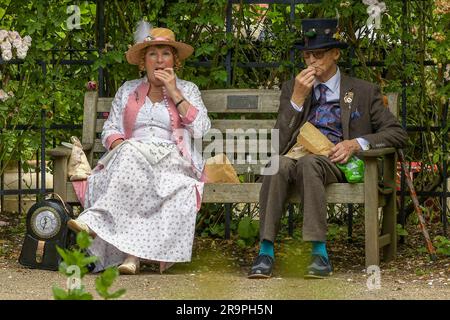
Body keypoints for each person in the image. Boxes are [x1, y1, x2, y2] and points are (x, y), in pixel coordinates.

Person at [248, 18, 408, 279]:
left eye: (319, 55)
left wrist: (356, 143)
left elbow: (397, 133)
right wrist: (297, 99)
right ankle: (265, 252)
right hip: (295, 155)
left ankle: (319, 253)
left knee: (310, 164)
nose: (312, 61)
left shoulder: (363, 91)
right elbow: (278, 144)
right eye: (307, 55)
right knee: (276, 165)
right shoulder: (293, 87)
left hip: (335, 159)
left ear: (335, 54)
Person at [67, 22, 211, 275]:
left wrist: (174, 92)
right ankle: (132, 257)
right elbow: (110, 129)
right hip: (130, 158)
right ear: (142, 62)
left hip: (172, 159)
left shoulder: (188, 90)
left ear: (175, 61)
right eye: (152, 54)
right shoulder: (128, 90)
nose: (159, 60)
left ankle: (94, 221)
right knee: (134, 163)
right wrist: (123, 148)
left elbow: (200, 129)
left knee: (137, 167)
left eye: (165, 53)